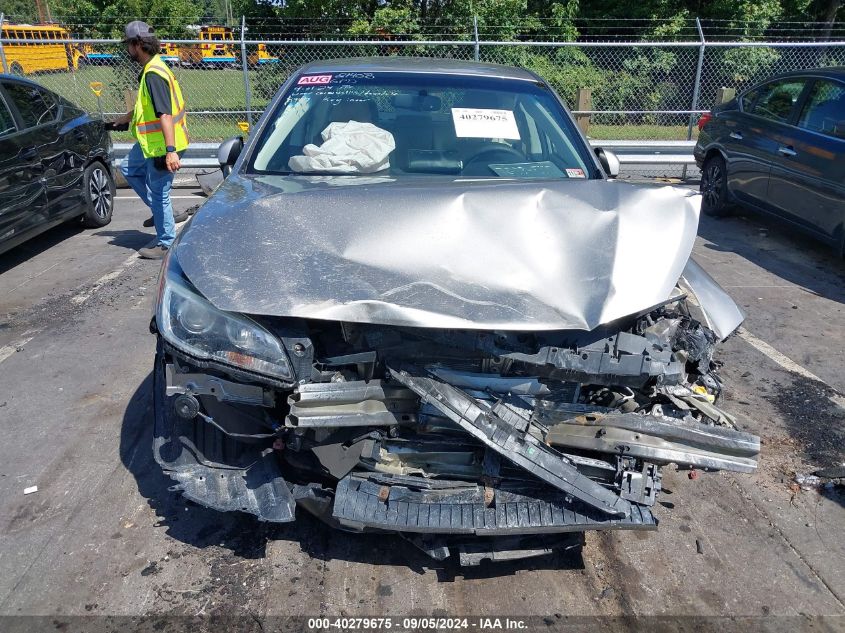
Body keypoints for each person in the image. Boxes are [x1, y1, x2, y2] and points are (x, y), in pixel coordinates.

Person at [106, 21, 190, 259]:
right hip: (150, 144)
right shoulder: (152, 69)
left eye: (129, 45)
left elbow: (164, 113)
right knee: (129, 169)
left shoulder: (154, 74)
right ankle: (163, 214)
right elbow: (148, 107)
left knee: (159, 192)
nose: (128, 50)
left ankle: (166, 243)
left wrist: (171, 150)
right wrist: (124, 118)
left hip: (162, 146)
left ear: (138, 44)